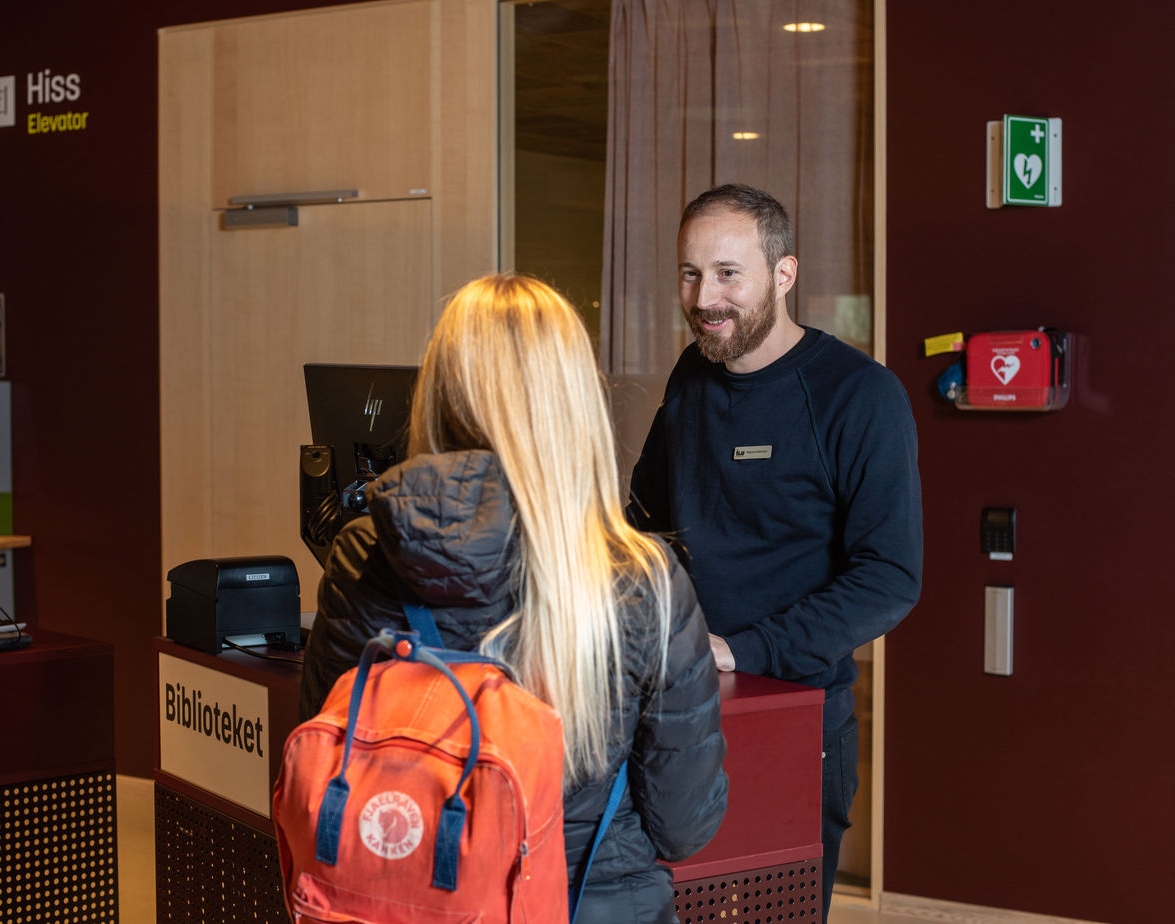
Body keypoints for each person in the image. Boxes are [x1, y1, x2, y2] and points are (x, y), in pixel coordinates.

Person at [299, 273, 728, 924]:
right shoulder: (641, 576)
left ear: (435, 395)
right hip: (594, 904)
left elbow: (321, 764)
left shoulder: (363, 557)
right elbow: (683, 825)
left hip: (406, 901)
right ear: (576, 402)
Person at [628, 184, 923, 921]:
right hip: (679, 705)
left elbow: (890, 578)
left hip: (796, 718)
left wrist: (745, 649)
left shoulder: (861, 396)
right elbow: (645, 521)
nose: (705, 296)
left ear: (783, 275)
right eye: (691, 273)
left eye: (729, 273)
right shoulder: (691, 378)